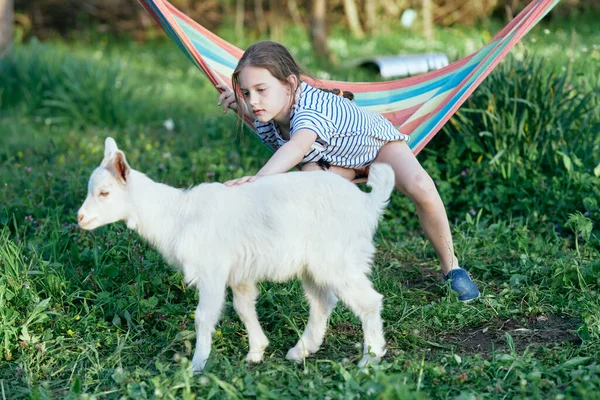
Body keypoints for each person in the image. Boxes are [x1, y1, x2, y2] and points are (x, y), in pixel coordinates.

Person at [216, 41, 479, 302]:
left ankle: (451, 267)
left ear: (290, 84)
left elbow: (296, 148)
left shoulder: (309, 110)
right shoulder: (265, 111)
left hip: (376, 148)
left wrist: (260, 180)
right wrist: (241, 105)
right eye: (247, 93)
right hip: (334, 163)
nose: (254, 101)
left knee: (421, 185)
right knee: (310, 189)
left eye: (261, 90)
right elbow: (262, 112)